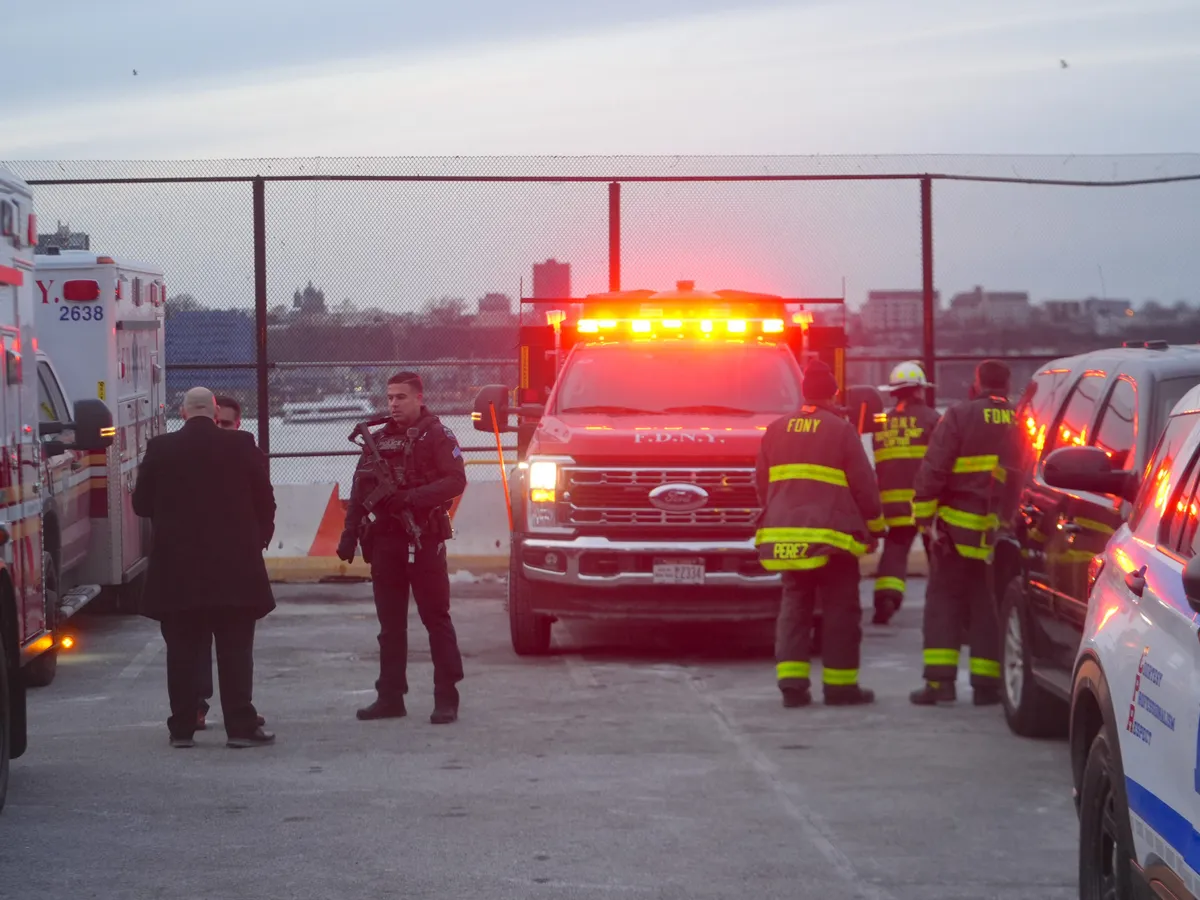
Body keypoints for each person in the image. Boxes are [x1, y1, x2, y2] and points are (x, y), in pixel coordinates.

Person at [132, 387, 277, 748]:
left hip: (177, 572)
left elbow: (140, 504)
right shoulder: (241, 445)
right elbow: (266, 500)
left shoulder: (160, 448)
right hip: (235, 571)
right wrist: (257, 540)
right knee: (235, 650)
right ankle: (241, 727)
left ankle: (182, 728)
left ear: (182, 413)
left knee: (182, 652)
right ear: (215, 413)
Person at [337, 372, 467, 724]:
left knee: (435, 619)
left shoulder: (437, 435)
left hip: (424, 540)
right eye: (390, 397)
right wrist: (349, 534)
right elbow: (361, 489)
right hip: (385, 543)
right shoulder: (377, 441)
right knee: (390, 625)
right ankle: (390, 697)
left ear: (419, 398)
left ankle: (446, 697)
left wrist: (410, 498)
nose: (393, 403)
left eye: (401, 397)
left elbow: (456, 480)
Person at [755, 359, 886, 708]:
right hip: (832, 538)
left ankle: (792, 687)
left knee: (794, 606)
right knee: (840, 609)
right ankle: (841, 687)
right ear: (834, 393)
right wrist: (874, 529)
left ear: (803, 392)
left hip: (787, 539)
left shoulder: (776, 429)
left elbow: (763, 485)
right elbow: (864, 487)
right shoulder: (841, 430)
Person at [909, 360, 1020, 707]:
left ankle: (940, 684)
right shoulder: (1024, 418)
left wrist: (924, 518)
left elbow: (935, 467)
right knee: (988, 604)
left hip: (956, 531)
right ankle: (987, 686)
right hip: (1001, 536)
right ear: (1007, 384)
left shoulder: (959, 415)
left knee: (945, 603)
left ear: (977, 383)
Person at [193, 394, 266, 732]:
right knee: (195, 643)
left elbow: (265, 502)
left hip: (234, 564)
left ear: (237, 425)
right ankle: (198, 706)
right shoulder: (184, 455)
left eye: (226, 424)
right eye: (215, 422)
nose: (219, 429)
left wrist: (256, 542)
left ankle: (238, 710)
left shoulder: (244, 452)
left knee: (236, 647)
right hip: (196, 565)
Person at [870, 362, 942, 625]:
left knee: (895, 550)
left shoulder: (881, 423)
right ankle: (942, 605)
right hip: (925, 502)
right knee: (938, 555)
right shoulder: (933, 419)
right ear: (918, 390)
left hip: (892, 504)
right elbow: (940, 461)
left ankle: (885, 600)